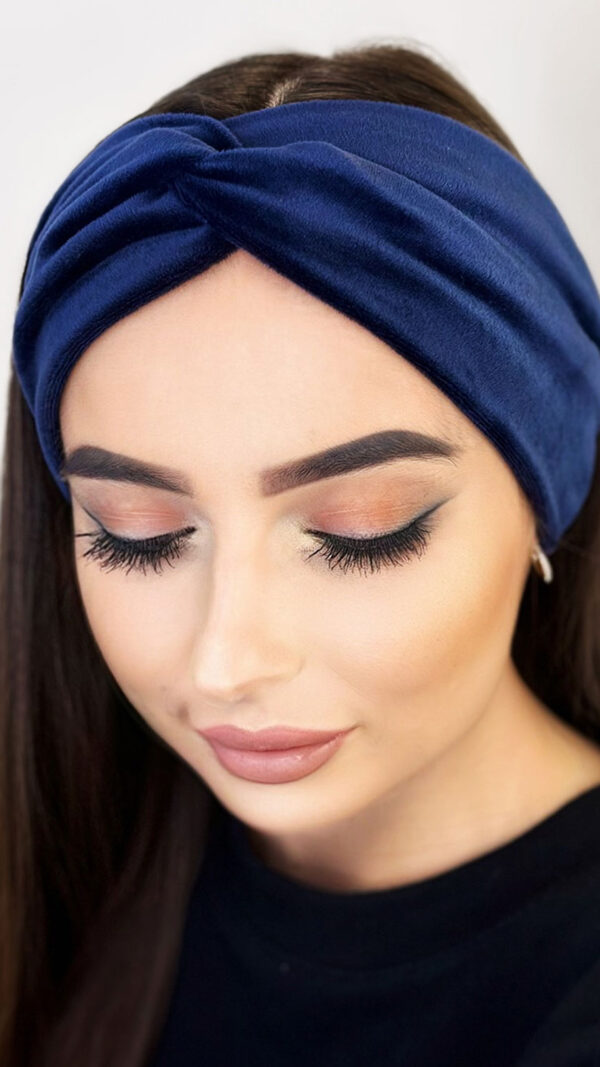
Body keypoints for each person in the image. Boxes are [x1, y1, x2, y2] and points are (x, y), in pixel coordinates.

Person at [2, 41, 600, 1067]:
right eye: (139, 533)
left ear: (545, 496)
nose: (226, 661)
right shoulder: (62, 873)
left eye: (362, 531)